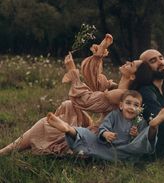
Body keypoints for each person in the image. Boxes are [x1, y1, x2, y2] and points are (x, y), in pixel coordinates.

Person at [0, 34, 142, 156]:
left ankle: (6, 151)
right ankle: (39, 138)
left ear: (133, 77)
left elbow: (86, 101)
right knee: (68, 106)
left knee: (43, 124)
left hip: (97, 138)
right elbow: (95, 85)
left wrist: (73, 74)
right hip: (100, 131)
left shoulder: (120, 95)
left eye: (132, 64)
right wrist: (99, 54)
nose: (128, 62)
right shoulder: (120, 90)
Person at [47, 90, 164, 162]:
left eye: (136, 105)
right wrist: (105, 133)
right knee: (86, 134)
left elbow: (145, 142)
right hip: (107, 149)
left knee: (144, 138)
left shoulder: (140, 121)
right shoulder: (114, 115)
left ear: (139, 109)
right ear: (121, 106)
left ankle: (154, 125)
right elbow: (103, 127)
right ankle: (69, 129)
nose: (131, 107)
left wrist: (136, 135)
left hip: (127, 152)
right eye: (128, 103)